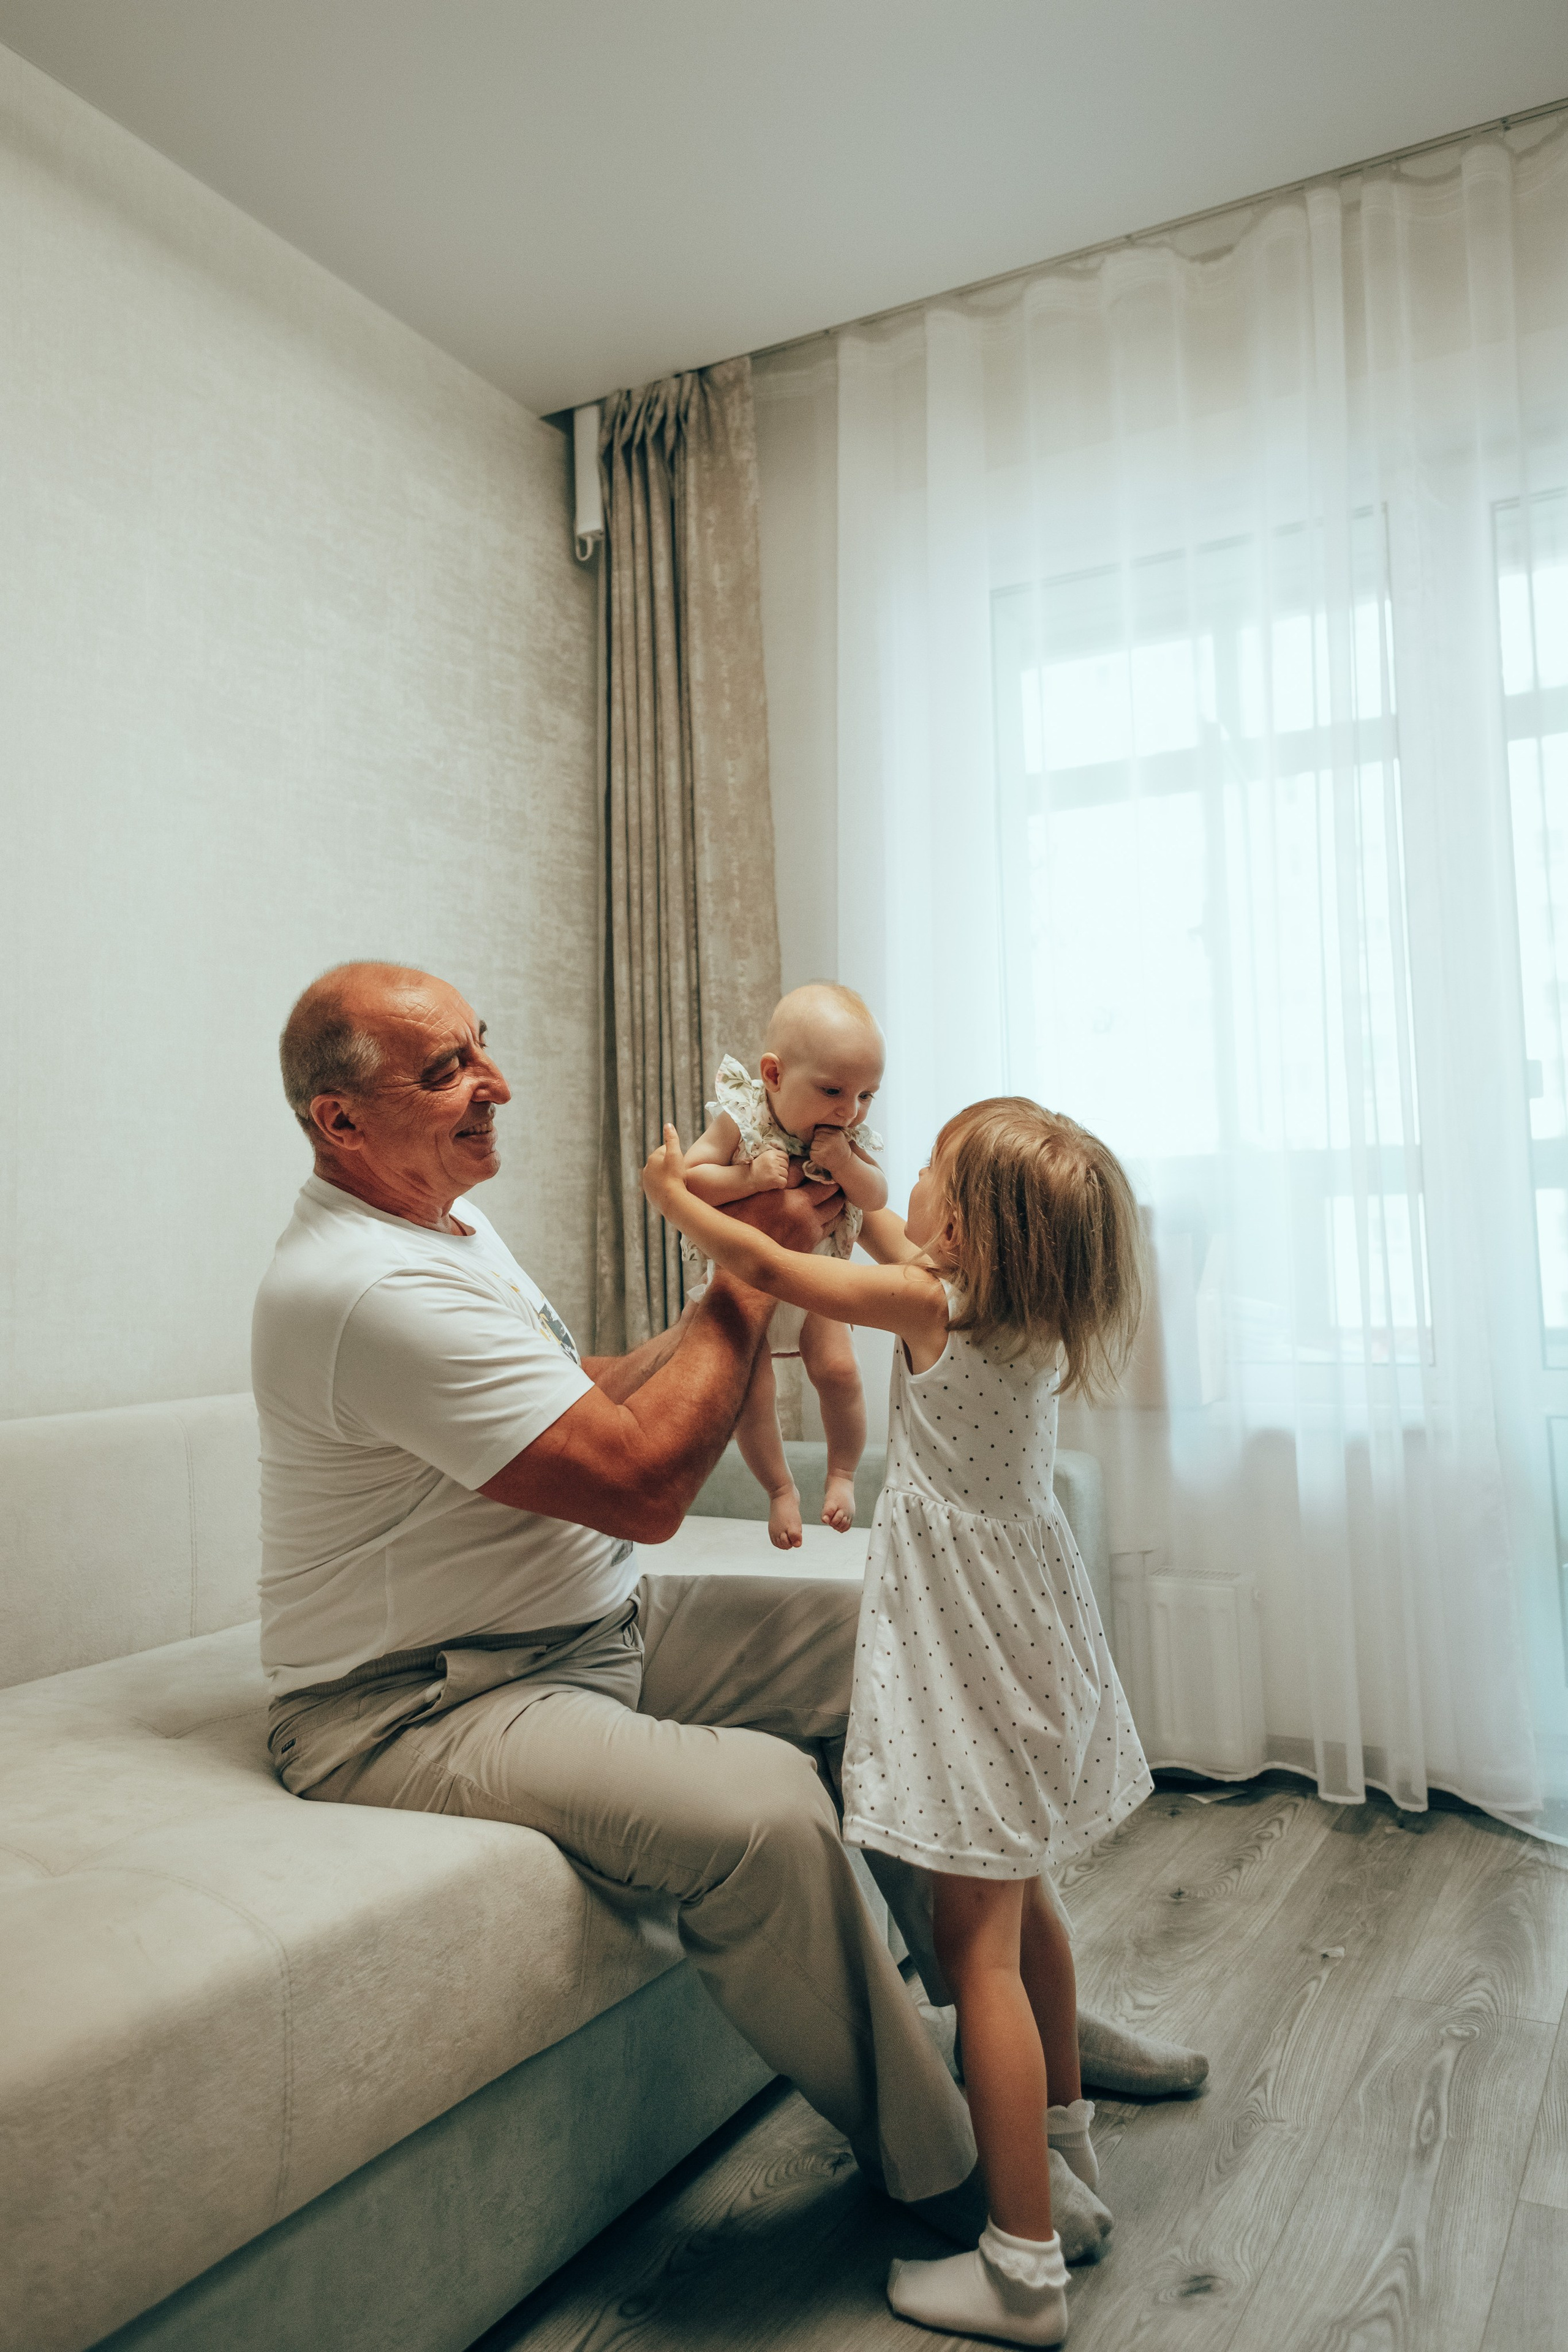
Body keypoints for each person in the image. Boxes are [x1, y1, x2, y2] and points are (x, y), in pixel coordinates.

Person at [255, 962, 1204, 2279]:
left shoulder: (450, 1234)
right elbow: (644, 1482)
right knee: (763, 1806)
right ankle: (959, 2168)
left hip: (587, 1628)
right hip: (420, 1698)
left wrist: (751, 1252)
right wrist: (758, 1264)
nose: (497, 1085)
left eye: (483, 1048)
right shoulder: (362, 1285)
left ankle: (1040, 2054)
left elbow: (581, 1392)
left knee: (912, 1660)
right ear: (337, 1123)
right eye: (446, 1072)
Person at [643, 1096, 1153, 2345]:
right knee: (1028, 1906)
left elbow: (776, 1266)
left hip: (970, 1655)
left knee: (972, 1947)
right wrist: (869, 1184)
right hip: (1035, 1638)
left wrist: (677, 1197)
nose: (907, 1186)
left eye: (930, 1175)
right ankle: (1062, 2150)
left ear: (968, 1233)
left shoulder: (930, 1309)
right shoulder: (1021, 1314)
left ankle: (1020, 2266)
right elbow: (893, 1240)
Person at [680, 984, 887, 1547]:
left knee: (841, 1373)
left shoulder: (848, 1134)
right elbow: (690, 1179)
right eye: (833, 1091)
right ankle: (778, 1490)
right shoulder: (741, 1118)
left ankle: (842, 1473)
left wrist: (846, 1162)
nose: (850, 1109)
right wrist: (746, 1179)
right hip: (746, 1283)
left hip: (817, 1281)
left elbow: (875, 1198)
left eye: (868, 1094)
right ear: (773, 1075)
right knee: (754, 1393)